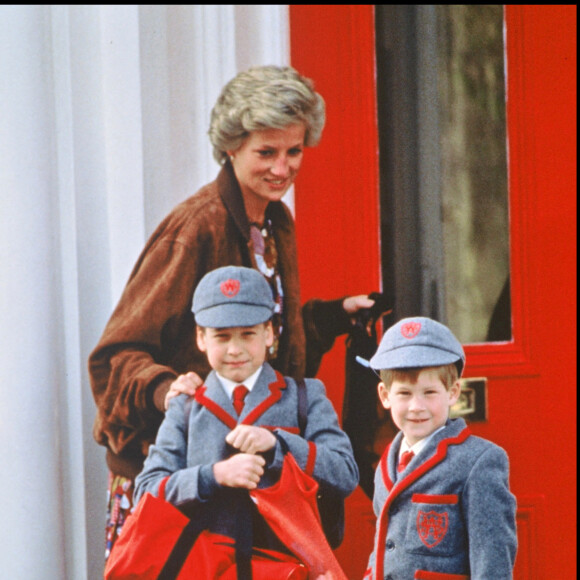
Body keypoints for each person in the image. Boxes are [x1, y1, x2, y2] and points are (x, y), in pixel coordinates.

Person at [88, 64, 374, 557]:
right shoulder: (196, 227)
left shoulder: (274, 218)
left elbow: (264, 335)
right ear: (230, 147)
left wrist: (331, 316)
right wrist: (165, 389)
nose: (282, 169)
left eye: (293, 152)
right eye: (266, 152)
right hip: (175, 486)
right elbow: (115, 356)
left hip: (246, 486)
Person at [134, 266, 359, 577]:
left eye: (248, 334)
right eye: (222, 336)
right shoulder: (185, 407)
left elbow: (346, 474)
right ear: (201, 338)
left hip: (290, 569)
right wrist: (212, 475)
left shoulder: (304, 397)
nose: (235, 349)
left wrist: (279, 444)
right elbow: (145, 493)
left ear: (269, 333)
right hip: (205, 570)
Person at [363, 316, 517, 580]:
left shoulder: (480, 461)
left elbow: (491, 561)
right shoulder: (387, 461)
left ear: (453, 392)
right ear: (385, 396)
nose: (416, 406)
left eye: (429, 392)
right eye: (404, 393)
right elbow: (385, 549)